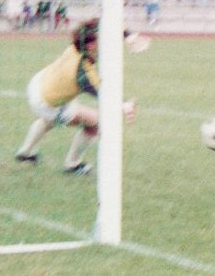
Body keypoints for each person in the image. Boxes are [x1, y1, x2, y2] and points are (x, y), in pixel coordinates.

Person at [13, 19, 138, 174]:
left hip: (40, 84)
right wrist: (124, 105)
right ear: (91, 45)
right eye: (103, 39)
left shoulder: (76, 46)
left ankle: (25, 152)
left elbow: (103, 21)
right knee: (95, 123)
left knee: (49, 120)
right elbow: (104, 95)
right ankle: (73, 164)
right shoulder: (83, 73)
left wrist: (128, 35)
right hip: (48, 103)